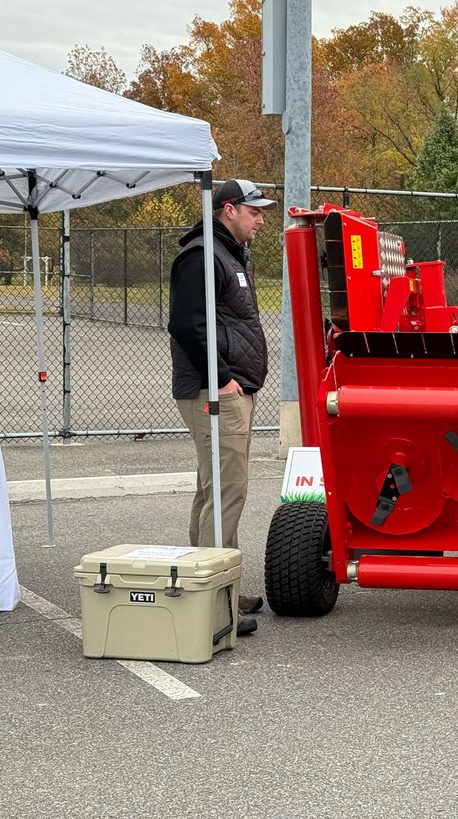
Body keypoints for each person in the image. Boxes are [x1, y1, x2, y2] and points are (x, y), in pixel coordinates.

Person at [168, 178, 273, 636]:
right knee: (228, 490)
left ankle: (216, 583)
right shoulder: (202, 256)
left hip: (228, 389)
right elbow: (186, 325)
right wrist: (223, 379)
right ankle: (213, 600)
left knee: (215, 490)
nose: (261, 219)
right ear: (228, 210)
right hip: (215, 392)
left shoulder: (226, 255)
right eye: (255, 211)